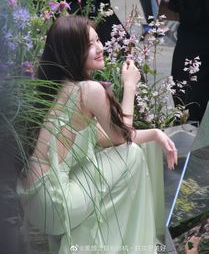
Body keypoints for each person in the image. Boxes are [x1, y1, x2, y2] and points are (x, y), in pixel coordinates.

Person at [18, 16, 177, 254]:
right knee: (131, 155)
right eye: (90, 44)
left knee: (122, 155)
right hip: (56, 202)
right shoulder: (87, 90)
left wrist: (155, 133)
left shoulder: (60, 86)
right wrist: (130, 86)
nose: (100, 48)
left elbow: (105, 138)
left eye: (99, 40)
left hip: (37, 202)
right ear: (73, 52)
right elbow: (122, 137)